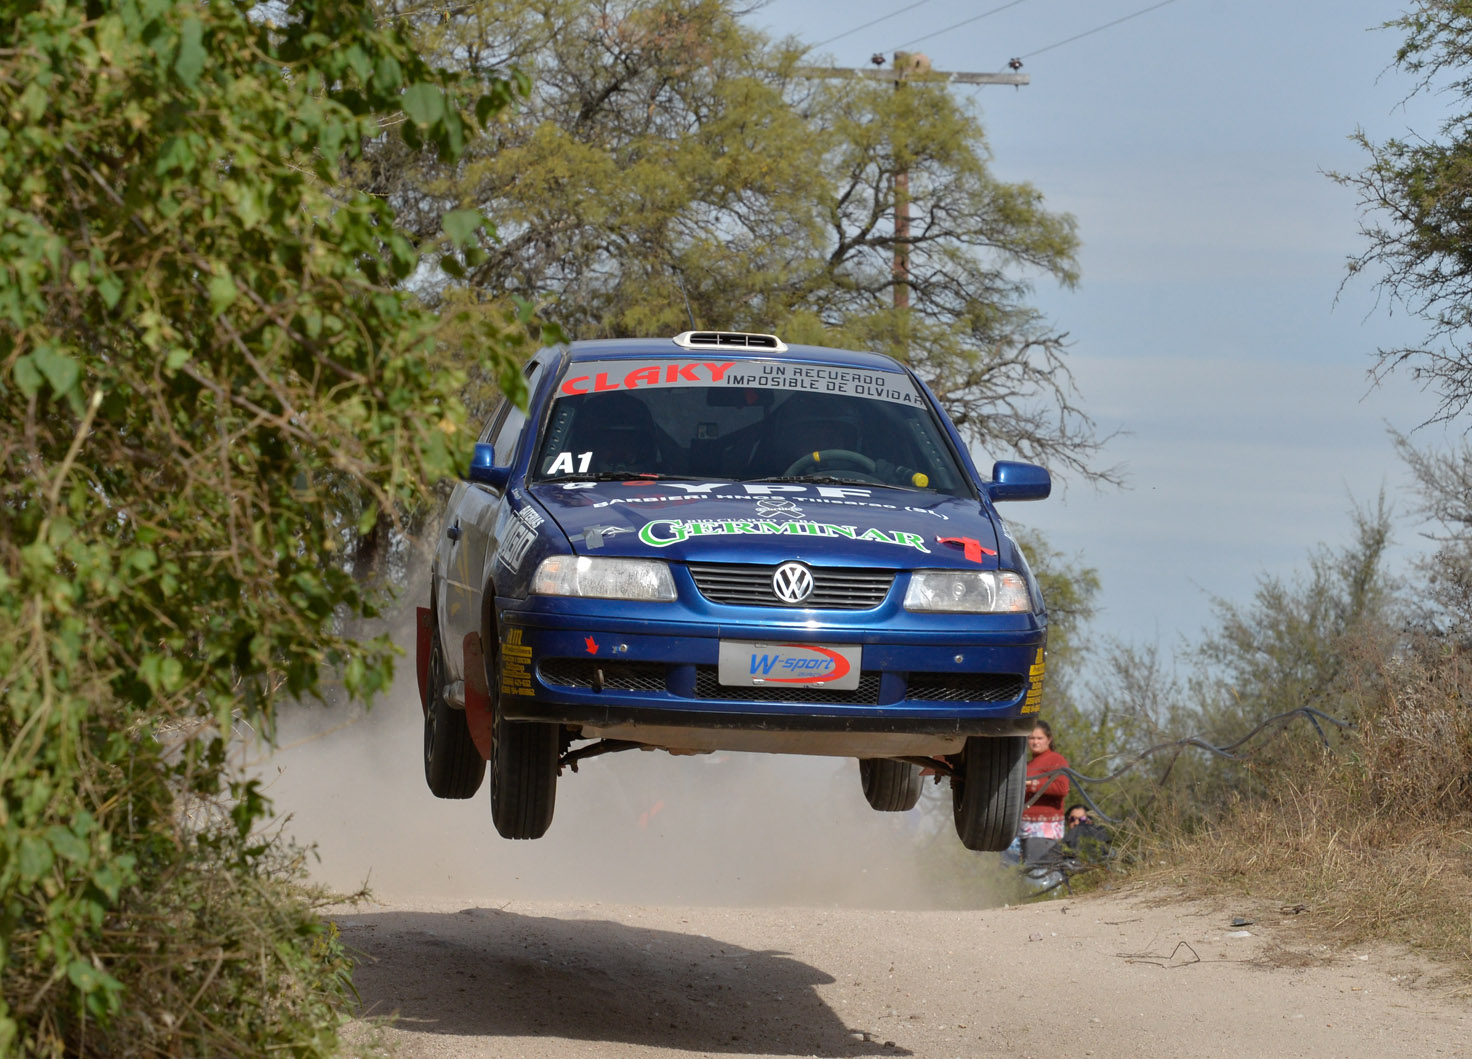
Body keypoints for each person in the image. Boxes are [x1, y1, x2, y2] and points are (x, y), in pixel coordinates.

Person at [1019, 720, 1070, 872]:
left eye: (1039, 738)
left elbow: (1062, 788)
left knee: (1041, 871)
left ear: (1049, 739)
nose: (1035, 742)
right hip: (1024, 827)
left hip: (1044, 828)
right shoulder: (1027, 764)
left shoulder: (1056, 760)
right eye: (1031, 738)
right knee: (1025, 871)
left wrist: (1032, 784)